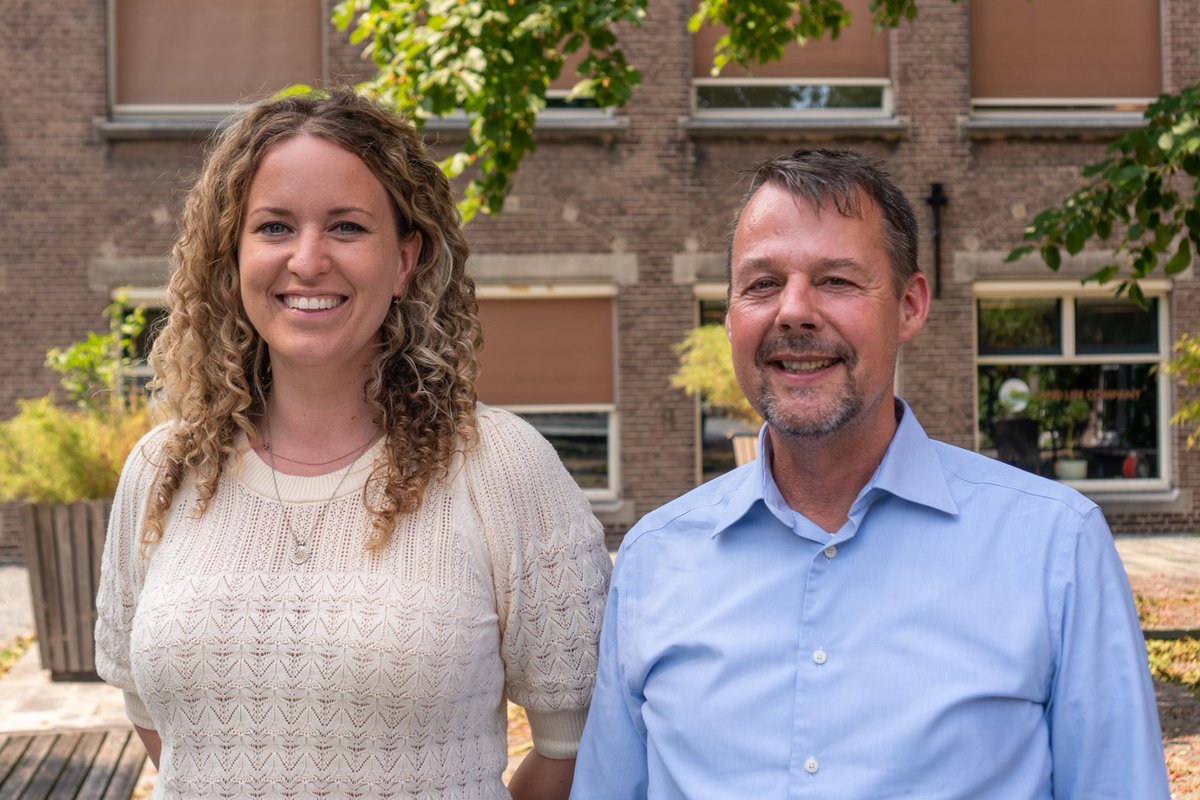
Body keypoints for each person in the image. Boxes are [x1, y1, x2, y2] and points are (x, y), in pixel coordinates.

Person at [571, 149, 1169, 799]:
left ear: (909, 306)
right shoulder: (655, 560)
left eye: (836, 280)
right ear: (730, 315)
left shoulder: (1055, 546)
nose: (793, 311)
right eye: (762, 284)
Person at [95, 90, 612, 799]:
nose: (308, 260)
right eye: (274, 227)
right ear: (232, 256)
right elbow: (156, 721)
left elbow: (576, 746)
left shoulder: (501, 467)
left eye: (346, 227)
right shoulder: (164, 469)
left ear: (404, 260)